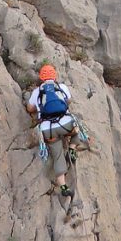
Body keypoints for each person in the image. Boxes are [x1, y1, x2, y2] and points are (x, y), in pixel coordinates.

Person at [26, 64, 77, 198]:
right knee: (77, 131)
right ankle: (72, 148)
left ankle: (64, 187)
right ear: (54, 76)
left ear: (41, 77)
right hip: (65, 123)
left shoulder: (37, 92)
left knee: (57, 155)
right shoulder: (62, 87)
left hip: (48, 129)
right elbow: (69, 101)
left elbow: (30, 108)